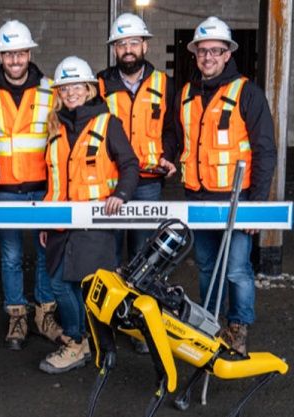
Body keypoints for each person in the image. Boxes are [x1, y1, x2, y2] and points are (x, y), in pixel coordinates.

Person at [177, 17, 276, 354]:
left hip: (237, 200)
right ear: (196, 55)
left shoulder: (247, 93)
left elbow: (265, 150)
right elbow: (181, 142)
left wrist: (257, 206)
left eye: (215, 51)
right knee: (206, 267)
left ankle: (238, 326)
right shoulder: (187, 93)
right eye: (202, 51)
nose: (208, 57)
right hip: (199, 198)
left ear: (227, 54)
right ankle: (209, 322)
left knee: (236, 269)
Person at [39, 56, 139, 374]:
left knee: (80, 285)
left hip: (94, 222)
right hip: (59, 221)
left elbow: (129, 164)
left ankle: (78, 341)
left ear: (88, 89)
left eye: (76, 87)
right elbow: (53, 177)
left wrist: (121, 195)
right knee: (59, 284)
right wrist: (45, 218)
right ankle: (82, 339)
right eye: (65, 87)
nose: (71, 93)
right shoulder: (54, 126)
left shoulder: (107, 123)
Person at [0, 20, 60, 351]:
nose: (14, 60)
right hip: (5, 189)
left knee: (44, 254)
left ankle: (44, 314)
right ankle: (17, 316)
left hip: (43, 186)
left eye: (20, 53)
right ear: (1, 57)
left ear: (29, 53)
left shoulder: (50, 89)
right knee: (11, 256)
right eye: (8, 54)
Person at [97, 13, 178, 354]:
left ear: (145, 45)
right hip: (111, 184)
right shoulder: (99, 84)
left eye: (133, 43)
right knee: (111, 255)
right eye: (121, 44)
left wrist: (170, 154)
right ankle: (114, 321)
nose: (128, 50)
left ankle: (142, 323)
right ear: (114, 50)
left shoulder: (164, 84)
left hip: (147, 183)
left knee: (145, 258)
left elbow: (175, 128)